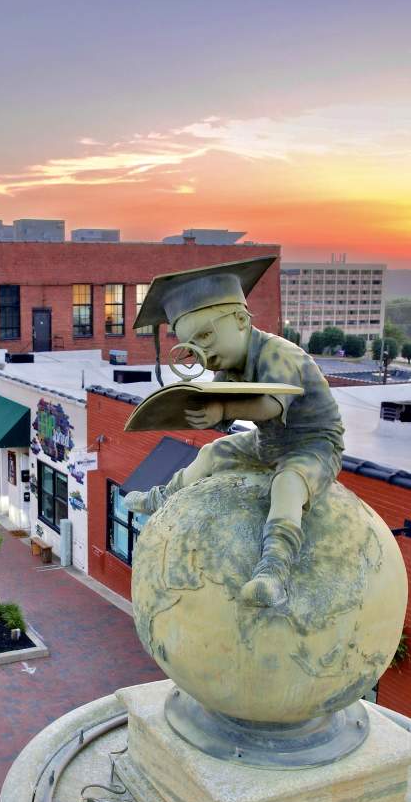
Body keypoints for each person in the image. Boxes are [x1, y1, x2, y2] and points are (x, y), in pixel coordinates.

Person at [125, 256, 345, 609]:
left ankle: (273, 570)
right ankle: (161, 497)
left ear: (241, 320)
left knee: (287, 484)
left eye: (207, 336)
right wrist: (198, 411)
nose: (202, 352)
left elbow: (272, 404)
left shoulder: (278, 352)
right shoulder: (230, 365)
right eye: (191, 345)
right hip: (268, 443)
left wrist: (225, 409)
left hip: (313, 444)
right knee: (212, 452)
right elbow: (221, 417)